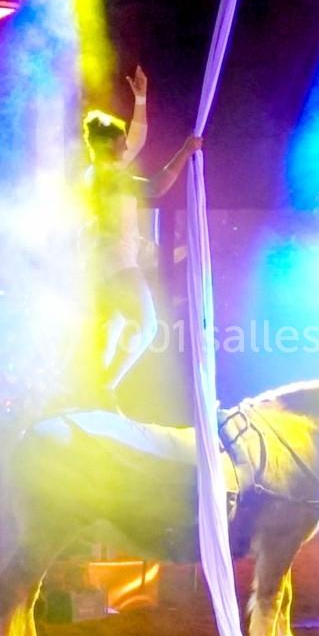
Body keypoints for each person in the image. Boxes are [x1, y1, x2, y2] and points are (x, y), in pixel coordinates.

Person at [81, 69, 202, 403]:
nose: (126, 144)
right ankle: (104, 389)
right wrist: (185, 151)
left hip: (105, 265)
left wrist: (140, 98)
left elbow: (136, 139)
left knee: (114, 328)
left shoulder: (102, 170)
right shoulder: (109, 177)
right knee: (145, 326)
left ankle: (94, 393)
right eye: (120, 140)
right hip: (115, 265)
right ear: (109, 145)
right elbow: (156, 187)